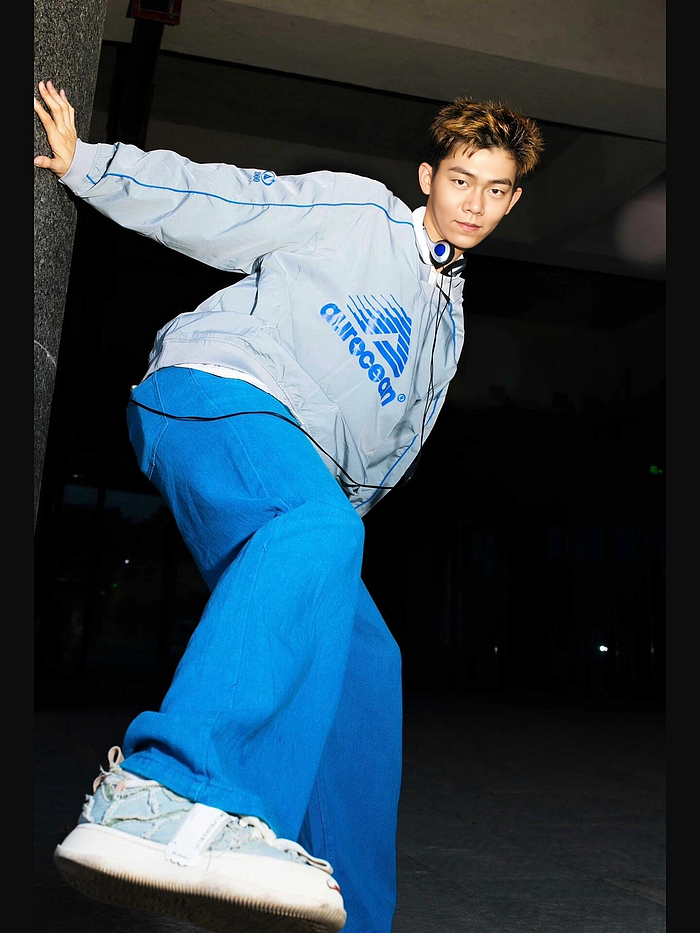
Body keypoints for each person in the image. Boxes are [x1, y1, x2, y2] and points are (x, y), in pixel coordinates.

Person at [34, 78, 543, 933]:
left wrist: (335, 540)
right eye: (461, 180)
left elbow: (388, 451)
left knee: (367, 660)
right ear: (429, 177)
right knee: (319, 526)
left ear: (512, 201)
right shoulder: (360, 215)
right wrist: (92, 165)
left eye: (495, 191)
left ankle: (353, 913)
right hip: (219, 389)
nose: (474, 203)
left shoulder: (448, 324)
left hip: (299, 473)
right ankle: (167, 790)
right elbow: (229, 202)